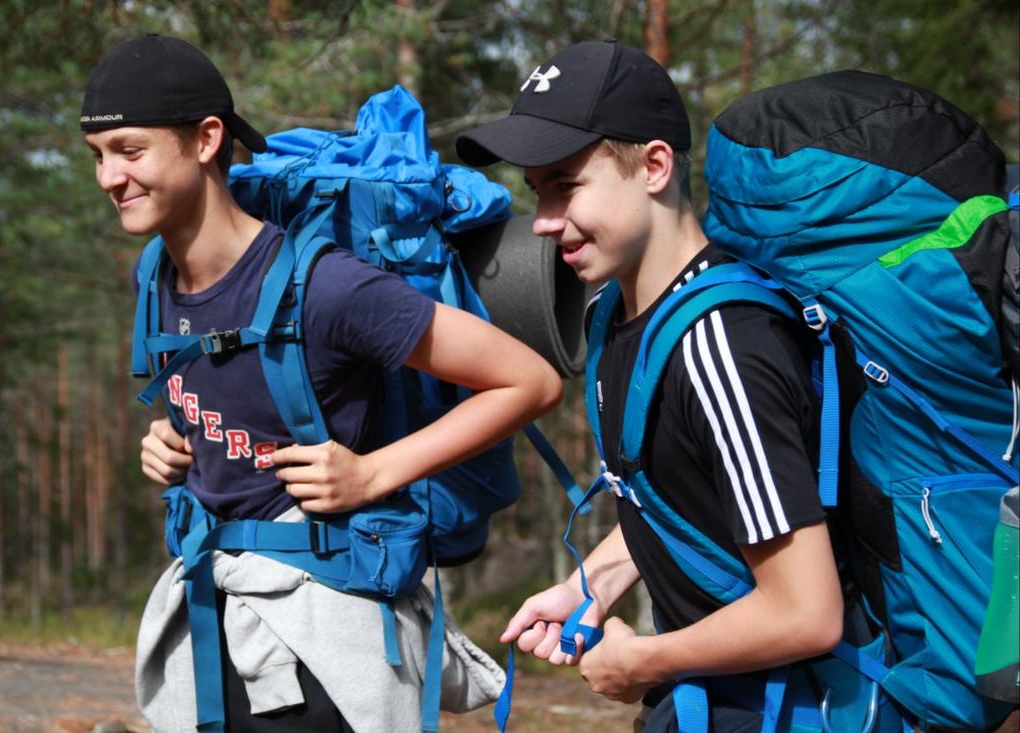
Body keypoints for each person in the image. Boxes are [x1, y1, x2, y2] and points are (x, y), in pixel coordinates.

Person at [81, 34, 562, 732]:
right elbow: (235, 400)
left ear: (207, 139)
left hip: (326, 643)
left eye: (130, 150)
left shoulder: (327, 286)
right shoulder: (154, 276)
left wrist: (372, 472)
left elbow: (528, 380)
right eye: (97, 156)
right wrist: (170, 437)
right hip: (213, 622)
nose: (108, 178)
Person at [457, 40, 851, 731]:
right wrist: (593, 582)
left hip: (777, 711)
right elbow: (682, 494)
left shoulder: (721, 345)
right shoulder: (619, 318)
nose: (544, 223)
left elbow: (807, 611)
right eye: (537, 192)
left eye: (566, 185)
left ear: (655, 166)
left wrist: (647, 661)